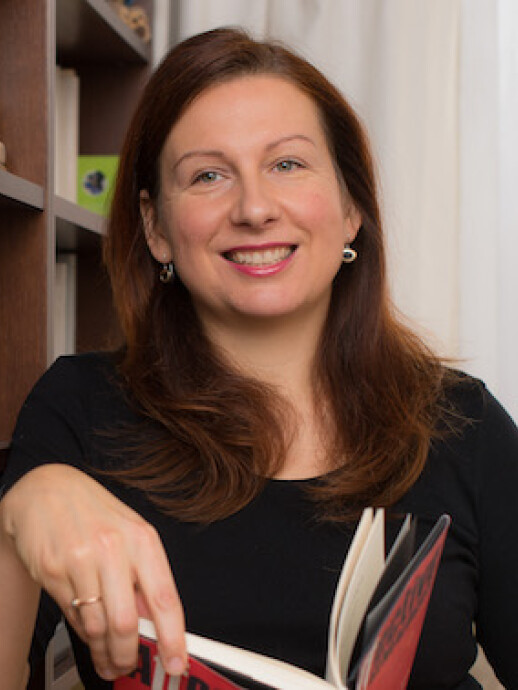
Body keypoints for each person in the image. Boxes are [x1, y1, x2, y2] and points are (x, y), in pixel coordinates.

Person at [1, 27, 517, 690]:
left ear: (351, 208)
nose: (253, 208)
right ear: (156, 228)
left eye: (287, 164)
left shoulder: (464, 425)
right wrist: (19, 513)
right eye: (208, 176)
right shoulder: (79, 408)